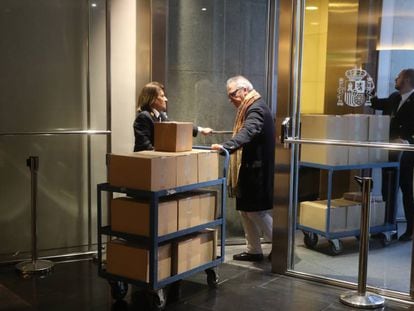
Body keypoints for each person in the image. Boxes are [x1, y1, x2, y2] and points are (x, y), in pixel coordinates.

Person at [211, 75, 275, 261]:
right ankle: (254, 249)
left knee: (255, 211)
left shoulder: (256, 109)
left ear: (244, 90)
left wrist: (228, 146)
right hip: (251, 168)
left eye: (232, 94)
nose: (230, 99)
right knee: (245, 210)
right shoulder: (252, 106)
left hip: (257, 169)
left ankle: (280, 246)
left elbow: (249, 131)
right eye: (229, 95)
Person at [371, 68, 414, 241]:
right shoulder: (394, 97)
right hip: (390, 151)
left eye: (398, 78)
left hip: (407, 155)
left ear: (407, 80)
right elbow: (376, 104)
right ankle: (389, 228)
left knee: (406, 190)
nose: (395, 79)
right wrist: (370, 91)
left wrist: (408, 141)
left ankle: (410, 229)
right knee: (388, 189)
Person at [133, 82, 213, 152]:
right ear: (152, 99)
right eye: (162, 96)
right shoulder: (144, 117)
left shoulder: (160, 115)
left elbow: (174, 126)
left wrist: (200, 130)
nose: (166, 99)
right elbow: (144, 147)